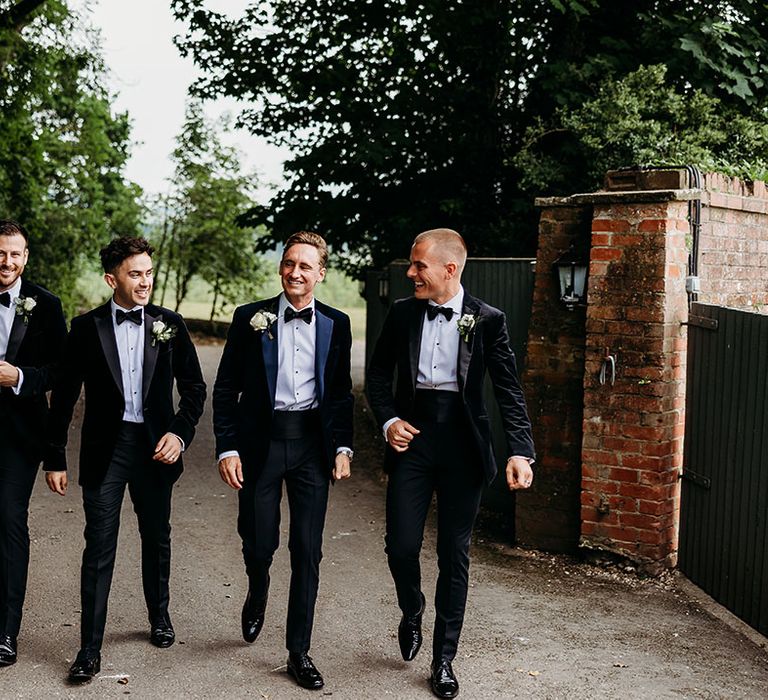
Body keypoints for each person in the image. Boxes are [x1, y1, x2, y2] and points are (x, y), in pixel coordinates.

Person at [366, 228, 535, 699]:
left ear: (449, 269)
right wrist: (389, 420)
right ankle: (412, 606)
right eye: (411, 264)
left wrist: (521, 450)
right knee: (400, 546)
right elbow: (378, 375)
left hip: (463, 446)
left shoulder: (488, 319)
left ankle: (443, 659)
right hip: (413, 440)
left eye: (419, 265)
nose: (411, 272)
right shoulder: (402, 314)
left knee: (453, 555)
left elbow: (508, 390)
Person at [44, 236, 206, 682]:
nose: (145, 282)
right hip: (106, 451)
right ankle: (88, 650)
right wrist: (54, 456)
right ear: (111, 278)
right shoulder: (85, 328)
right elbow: (64, 396)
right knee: (99, 546)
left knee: (156, 537)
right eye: (135, 274)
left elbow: (194, 388)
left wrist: (180, 432)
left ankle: (160, 616)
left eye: (149, 273)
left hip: (155, 447)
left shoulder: (169, 324)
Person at [213, 231, 353, 691]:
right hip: (261, 444)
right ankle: (257, 588)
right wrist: (227, 447)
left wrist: (343, 448)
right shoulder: (249, 318)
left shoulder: (337, 323)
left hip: (312, 446)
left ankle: (299, 651)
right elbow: (226, 387)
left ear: (321, 273)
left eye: (306, 266)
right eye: (289, 263)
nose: (296, 272)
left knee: (307, 551)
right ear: (280, 267)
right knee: (258, 541)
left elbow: (340, 397)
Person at [0, 220, 67, 667]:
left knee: (8, 523)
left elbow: (62, 372)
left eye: (15, 255)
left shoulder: (44, 304)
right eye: (0, 253)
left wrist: (19, 378)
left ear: (26, 257)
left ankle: (6, 631)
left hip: (17, 437)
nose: (6, 263)